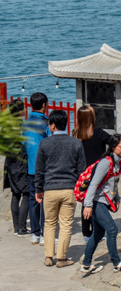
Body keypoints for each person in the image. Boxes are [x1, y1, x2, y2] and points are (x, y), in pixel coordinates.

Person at [34, 110, 86, 267]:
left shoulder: (44, 143)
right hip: (69, 189)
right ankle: (62, 258)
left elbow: (39, 169)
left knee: (49, 223)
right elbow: (82, 170)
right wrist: (81, 190)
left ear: (53, 125)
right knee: (66, 224)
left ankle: (49, 257)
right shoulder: (76, 143)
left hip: (50, 189)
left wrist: (38, 189)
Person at [81, 134, 121, 274]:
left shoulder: (117, 162)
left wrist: (117, 197)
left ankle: (86, 264)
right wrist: (88, 205)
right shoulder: (106, 162)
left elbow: (114, 182)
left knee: (98, 233)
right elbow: (93, 184)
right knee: (112, 229)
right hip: (98, 202)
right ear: (113, 147)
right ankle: (117, 263)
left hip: (104, 201)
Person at [73, 105, 111, 243]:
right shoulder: (99, 133)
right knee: (99, 200)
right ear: (91, 118)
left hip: (83, 173)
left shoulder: (75, 134)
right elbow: (112, 141)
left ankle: (86, 233)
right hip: (98, 172)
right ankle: (98, 229)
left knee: (85, 202)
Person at [23, 92, 50, 245]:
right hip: (44, 168)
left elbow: (23, 144)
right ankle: (46, 232)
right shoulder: (44, 124)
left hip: (31, 167)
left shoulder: (26, 123)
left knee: (34, 199)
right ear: (44, 105)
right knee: (46, 199)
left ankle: (35, 233)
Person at [3, 99, 30, 236]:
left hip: (10, 162)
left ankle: (16, 227)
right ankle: (22, 227)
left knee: (15, 193)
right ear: (20, 111)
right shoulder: (22, 126)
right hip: (21, 162)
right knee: (26, 193)